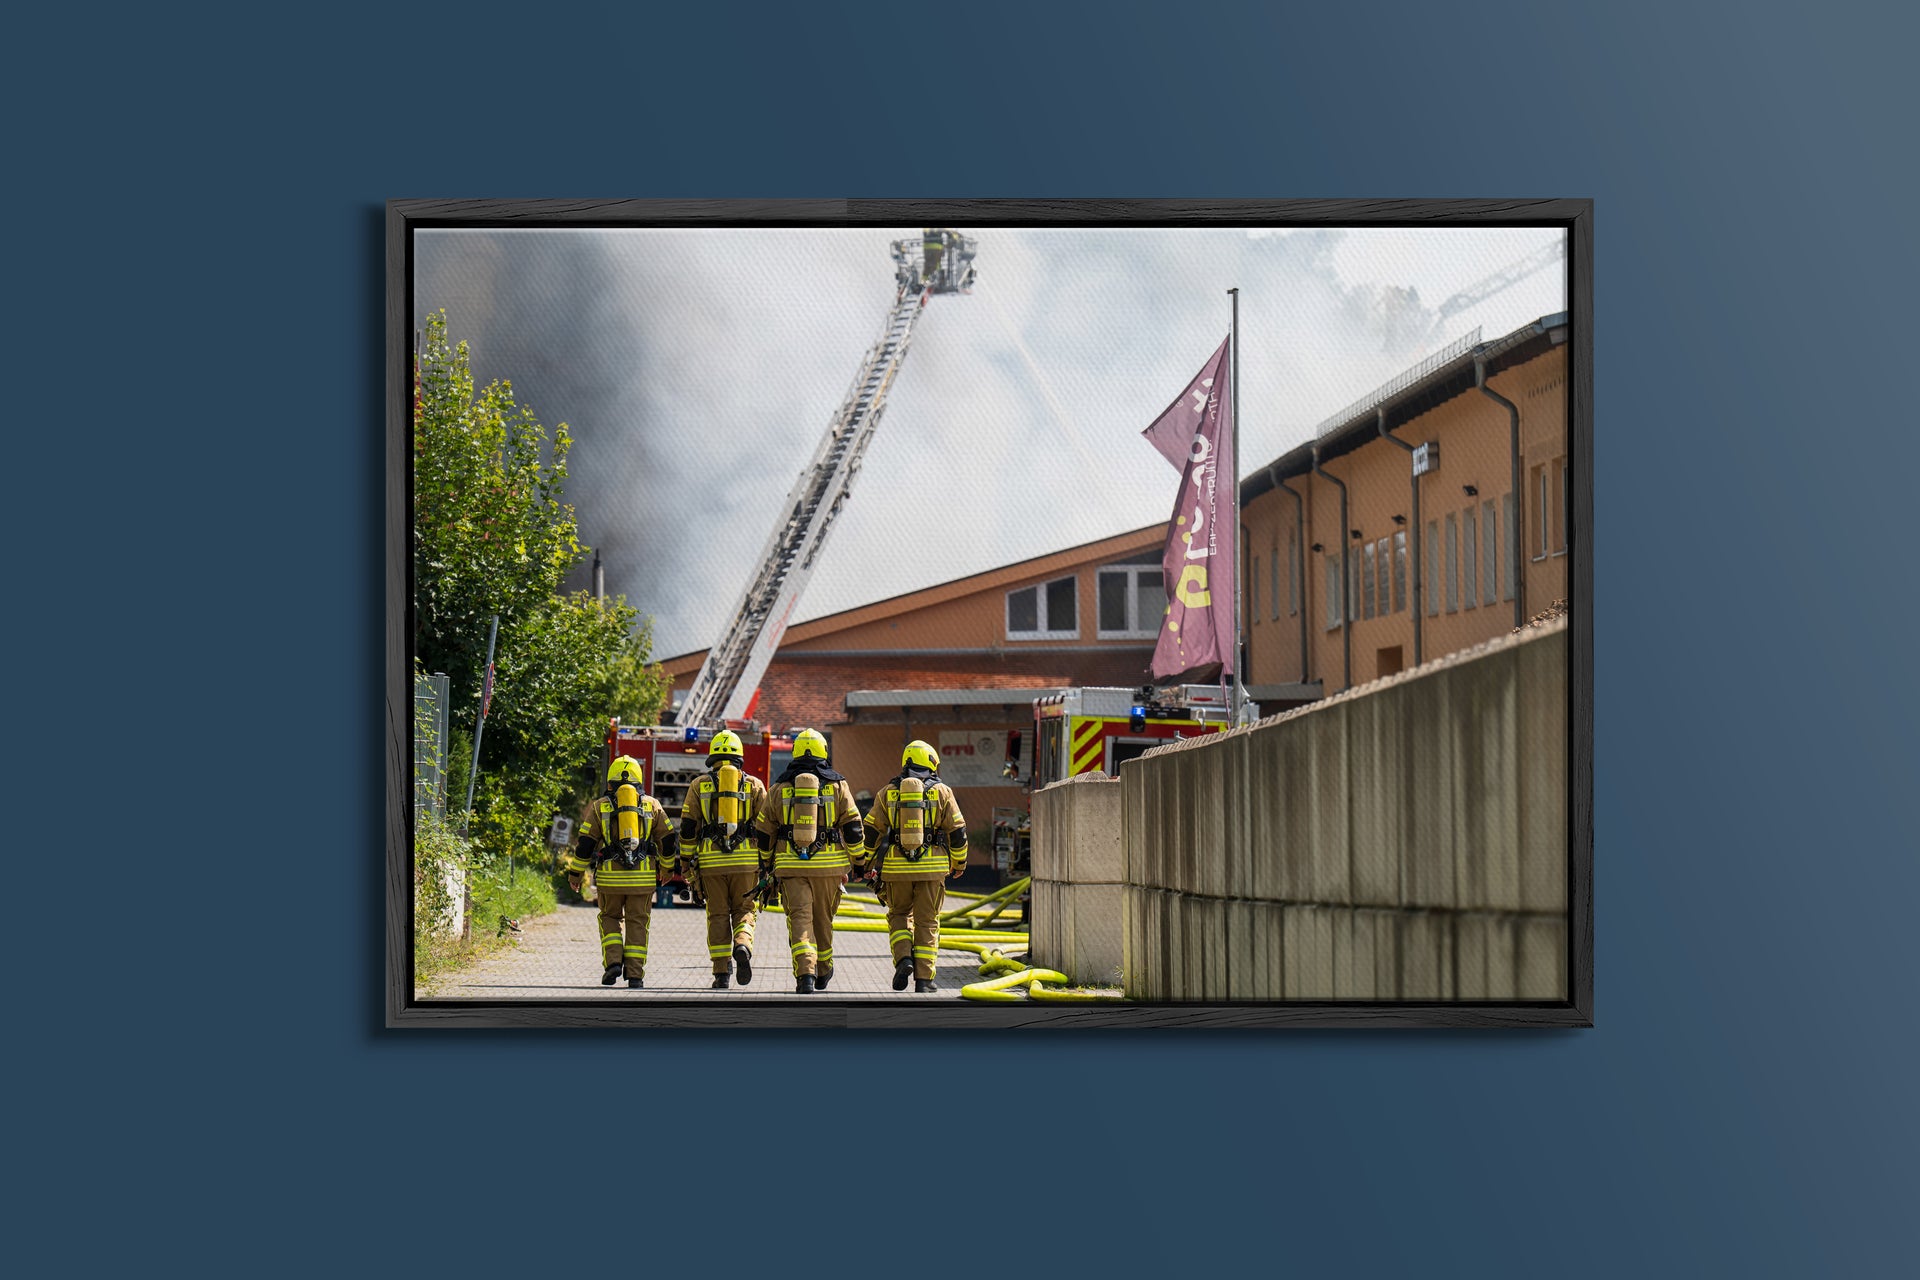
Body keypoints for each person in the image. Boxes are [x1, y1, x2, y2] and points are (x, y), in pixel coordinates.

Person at [755, 729, 862, 994]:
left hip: (791, 867)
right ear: (824, 751)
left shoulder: (779, 787)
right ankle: (823, 968)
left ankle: (805, 975)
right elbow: (853, 826)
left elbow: (764, 830)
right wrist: (859, 861)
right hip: (829, 868)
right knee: (823, 920)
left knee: (800, 919)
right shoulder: (838, 786)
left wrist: (768, 864)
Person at [859, 740, 968, 993]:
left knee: (899, 915)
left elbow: (872, 832)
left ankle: (904, 958)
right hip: (933, 869)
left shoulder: (887, 792)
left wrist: (864, 863)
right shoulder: (943, 792)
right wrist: (959, 861)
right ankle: (924, 980)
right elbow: (958, 831)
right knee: (927, 922)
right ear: (931, 763)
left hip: (896, 869)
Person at [566, 755, 676, 988]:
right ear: (639, 779)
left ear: (610, 782)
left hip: (610, 878)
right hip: (642, 878)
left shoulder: (599, 807)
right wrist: (667, 868)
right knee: (638, 923)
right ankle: (635, 976)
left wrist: (575, 874)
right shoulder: (652, 805)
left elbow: (585, 844)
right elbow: (667, 840)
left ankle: (613, 962)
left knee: (610, 918)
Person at [678, 730, 769, 989]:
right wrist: (767, 862)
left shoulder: (699, 785)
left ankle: (721, 974)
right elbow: (765, 827)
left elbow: (687, 828)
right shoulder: (754, 785)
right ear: (739, 757)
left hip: (711, 863)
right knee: (745, 911)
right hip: (746, 863)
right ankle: (742, 944)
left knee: (717, 915)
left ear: (713, 758)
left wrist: (685, 861)